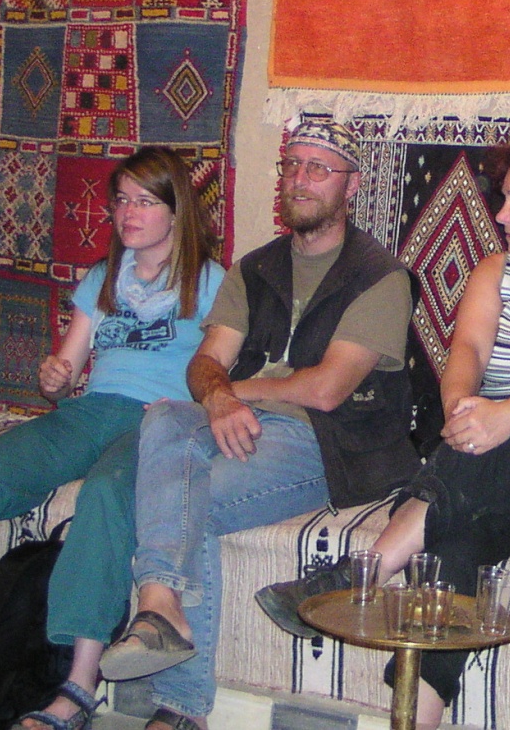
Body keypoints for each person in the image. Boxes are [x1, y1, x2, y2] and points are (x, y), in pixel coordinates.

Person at [257, 133, 510, 730]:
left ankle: (363, 571)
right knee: (452, 547)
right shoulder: (496, 273)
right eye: (502, 199)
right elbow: (466, 351)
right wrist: (461, 409)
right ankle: (414, 719)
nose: (500, 215)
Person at [0, 147, 223, 730]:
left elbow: (220, 369)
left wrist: (191, 411)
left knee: (105, 497)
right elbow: (67, 368)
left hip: (160, 423)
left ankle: (78, 685)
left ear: (176, 210)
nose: (128, 213)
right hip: (92, 411)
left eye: (144, 202)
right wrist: (55, 378)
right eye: (121, 201)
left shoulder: (210, 282)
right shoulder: (103, 276)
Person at [94, 117, 418, 730]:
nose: (299, 179)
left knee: (189, 497)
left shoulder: (381, 277)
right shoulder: (255, 268)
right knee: (164, 416)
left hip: (332, 443)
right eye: (292, 165)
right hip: (245, 423)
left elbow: (326, 390)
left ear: (351, 186)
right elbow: (203, 363)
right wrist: (216, 397)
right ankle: (160, 605)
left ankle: (180, 704)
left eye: (318, 168)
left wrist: (230, 393)